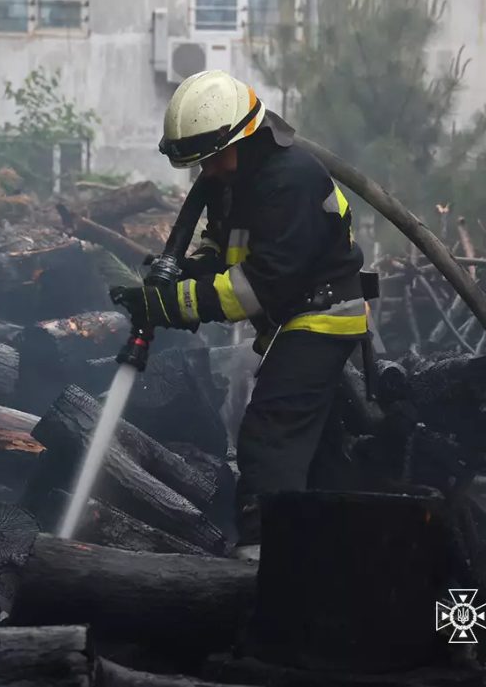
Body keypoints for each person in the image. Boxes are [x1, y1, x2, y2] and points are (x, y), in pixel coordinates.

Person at [110, 70, 367, 555]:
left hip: (322, 318)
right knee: (321, 452)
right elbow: (223, 250)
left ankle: (264, 555)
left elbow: (260, 286)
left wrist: (174, 304)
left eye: (211, 159)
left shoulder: (290, 180)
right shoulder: (237, 180)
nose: (206, 172)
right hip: (292, 318)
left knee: (270, 434)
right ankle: (331, 552)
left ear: (243, 137)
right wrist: (184, 272)